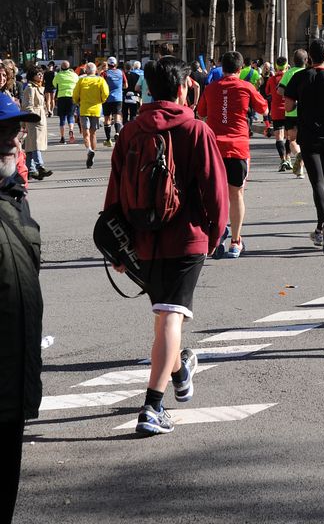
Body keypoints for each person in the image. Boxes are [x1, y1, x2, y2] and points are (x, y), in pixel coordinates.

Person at [105, 56, 228, 437]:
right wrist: (216, 234)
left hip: (142, 239)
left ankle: (180, 371)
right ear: (182, 88)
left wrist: (117, 246)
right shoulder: (195, 128)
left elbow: (115, 191)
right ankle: (152, 407)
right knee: (171, 317)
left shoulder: (130, 131)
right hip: (186, 236)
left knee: (163, 317)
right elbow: (215, 189)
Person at [0, 91, 44, 524]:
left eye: (16, 131)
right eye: (5, 133)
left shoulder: (15, 202)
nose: (16, 141)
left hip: (14, 386)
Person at [196, 49, 269, 259]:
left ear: (222, 67)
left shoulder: (211, 88)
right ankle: (236, 242)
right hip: (238, 148)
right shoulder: (246, 87)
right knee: (236, 194)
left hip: (214, 149)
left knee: (213, 194)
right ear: (240, 68)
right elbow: (264, 109)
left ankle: (216, 234)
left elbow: (201, 112)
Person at [281, 38, 324, 251]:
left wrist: (295, 113)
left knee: (317, 182)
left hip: (308, 135)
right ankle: (321, 229)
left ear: (309, 56)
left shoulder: (300, 77)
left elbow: (288, 104)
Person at [72, 62, 109, 170]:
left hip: (84, 109)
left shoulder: (81, 80)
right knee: (93, 133)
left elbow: (75, 94)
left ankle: (89, 150)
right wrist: (101, 100)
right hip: (96, 109)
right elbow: (106, 93)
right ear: (95, 70)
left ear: (86, 71)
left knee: (85, 132)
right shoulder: (100, 80)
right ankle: (93, 153)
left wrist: (77, 101)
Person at [279, 47, 309, 178]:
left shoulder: (289, 73)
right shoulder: (309, 73)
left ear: (293, 60)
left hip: (291, 112)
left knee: (292, 140)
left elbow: (280, 90)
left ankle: (298, 156)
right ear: (306, 60)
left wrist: (290, 95)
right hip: (306, 112)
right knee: (304, 140)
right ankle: (300, 170)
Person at [20, 68, 51, 179]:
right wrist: (33, 117)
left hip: (40, 118)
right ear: (32, 76)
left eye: (42, 74)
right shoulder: (30, 88)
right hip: (34, 119)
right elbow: (27, 105)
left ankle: (30, 170)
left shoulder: (39, 87)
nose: (41, 76)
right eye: (38, 74)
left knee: (30, 146)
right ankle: (40, 166)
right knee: (35, 144)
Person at [264, 56, 292, 170]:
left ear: (276, 66)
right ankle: (288, 158)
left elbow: (267, 92)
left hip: (276, 111)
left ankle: (282, 160)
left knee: (279, 137)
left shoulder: (272, 79)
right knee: (289, 136)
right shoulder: (290, 77)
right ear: (286, 66)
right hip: (289, 110)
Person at [101, 57, 125, 146]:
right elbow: (126, 85)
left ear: (108, 64)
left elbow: (101, 85)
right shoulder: (121, 72)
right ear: (116, 64)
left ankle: (108, 140)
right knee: (117, 117)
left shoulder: (104, 73)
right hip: (118, 98)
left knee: (107, 118)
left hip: (107, 98)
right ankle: (117, 132)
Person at [53, 59, 78, 143]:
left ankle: (62, 137)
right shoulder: (74, 75)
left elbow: (54, 84)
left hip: (61, 97)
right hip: (71, 96)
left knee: (62, 118)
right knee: (70, 116)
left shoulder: (58, 75)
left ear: (61, 67)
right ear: (69, 67)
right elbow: (77, 84)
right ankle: (71, 130)